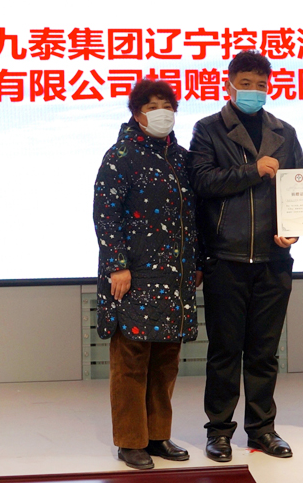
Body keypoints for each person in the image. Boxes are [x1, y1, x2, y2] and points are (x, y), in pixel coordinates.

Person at [189, 50, 303, 462]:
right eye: (246, 83)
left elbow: (297, 187)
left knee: (264, 352)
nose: (254, 90)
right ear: (229, 84)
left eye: (260, 84)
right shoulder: (208, 129)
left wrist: (294, 228)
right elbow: (202, 181)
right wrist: (252, 170)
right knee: (224, 352)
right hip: (226, 258)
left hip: (273, 261)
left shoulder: (285, 131)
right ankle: (219, 432)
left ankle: (262, 429)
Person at [93, 79, 201, 470]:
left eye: (166, 105)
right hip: (134, 275)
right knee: (131, 359)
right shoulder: (120, 155)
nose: (161, 112)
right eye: (151, 106)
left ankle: (157, 435)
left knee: (166, 360)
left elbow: (193, 216)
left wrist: (196, 263)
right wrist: (117, 265)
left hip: (175, 277)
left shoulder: (183, 158)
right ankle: (130, 441)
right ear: (136, 113)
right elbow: (105, 215)